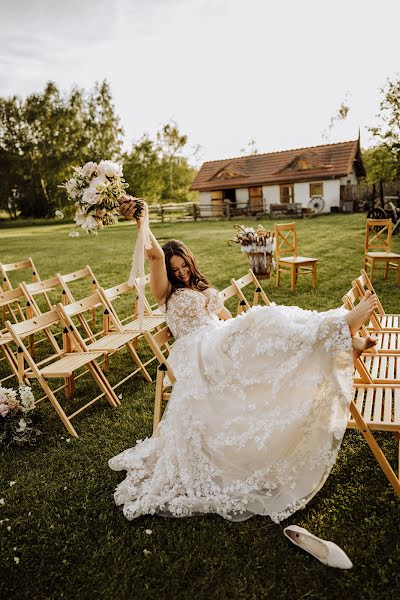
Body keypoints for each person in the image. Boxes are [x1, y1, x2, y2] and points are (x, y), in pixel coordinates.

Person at [109, 197, 377, 568]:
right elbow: (154, 256)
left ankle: (341, 336)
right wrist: (143, 219)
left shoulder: (201, 286)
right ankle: (342, 332)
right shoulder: (165, 293)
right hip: (197, 352)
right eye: (175, 269)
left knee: (265, 319)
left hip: (220, 339)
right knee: (262, 321)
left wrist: (243, 330)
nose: (182, 272)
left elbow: (223, 316)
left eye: (184, 265)